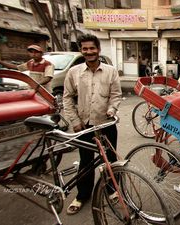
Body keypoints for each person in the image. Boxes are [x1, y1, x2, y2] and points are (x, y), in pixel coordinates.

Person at [63, 34, 122, 215]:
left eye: (92, 48)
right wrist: (75, 122)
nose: (89, 52)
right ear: (81, 51)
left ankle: (112, 190)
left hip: (106, 124)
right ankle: (82, 195)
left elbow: (116, 95)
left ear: (98, 50)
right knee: (86, 162)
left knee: (111, 160)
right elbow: (67, 98)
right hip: (85, 125)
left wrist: (112, 109)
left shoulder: (111, 71)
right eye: (85, 49)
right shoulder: (74, 72)